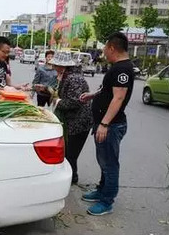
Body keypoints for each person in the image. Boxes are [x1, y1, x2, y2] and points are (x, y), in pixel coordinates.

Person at [80, 32, 134, 216]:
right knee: (103, 162)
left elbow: (118, 98)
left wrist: (104, 124)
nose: (103, 52)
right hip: (105, 123)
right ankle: (101, 190)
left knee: (110, 164)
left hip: (111, 125)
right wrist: (93, 95)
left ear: (112, 48)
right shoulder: (116, 67)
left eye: (105, 48)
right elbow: (107, 91)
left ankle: (107, 201)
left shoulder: (122, 69)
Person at [50, 52, 93, 185]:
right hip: (72, 121)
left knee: (70, 154)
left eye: (55, 65)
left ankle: (71, 179)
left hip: (79, 121)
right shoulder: (66, 76)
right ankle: (70, 178)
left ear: (62, 66)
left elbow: (75, 102)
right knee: (67, 153)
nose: (53, 67)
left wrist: (57, 101)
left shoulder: (74, 78)